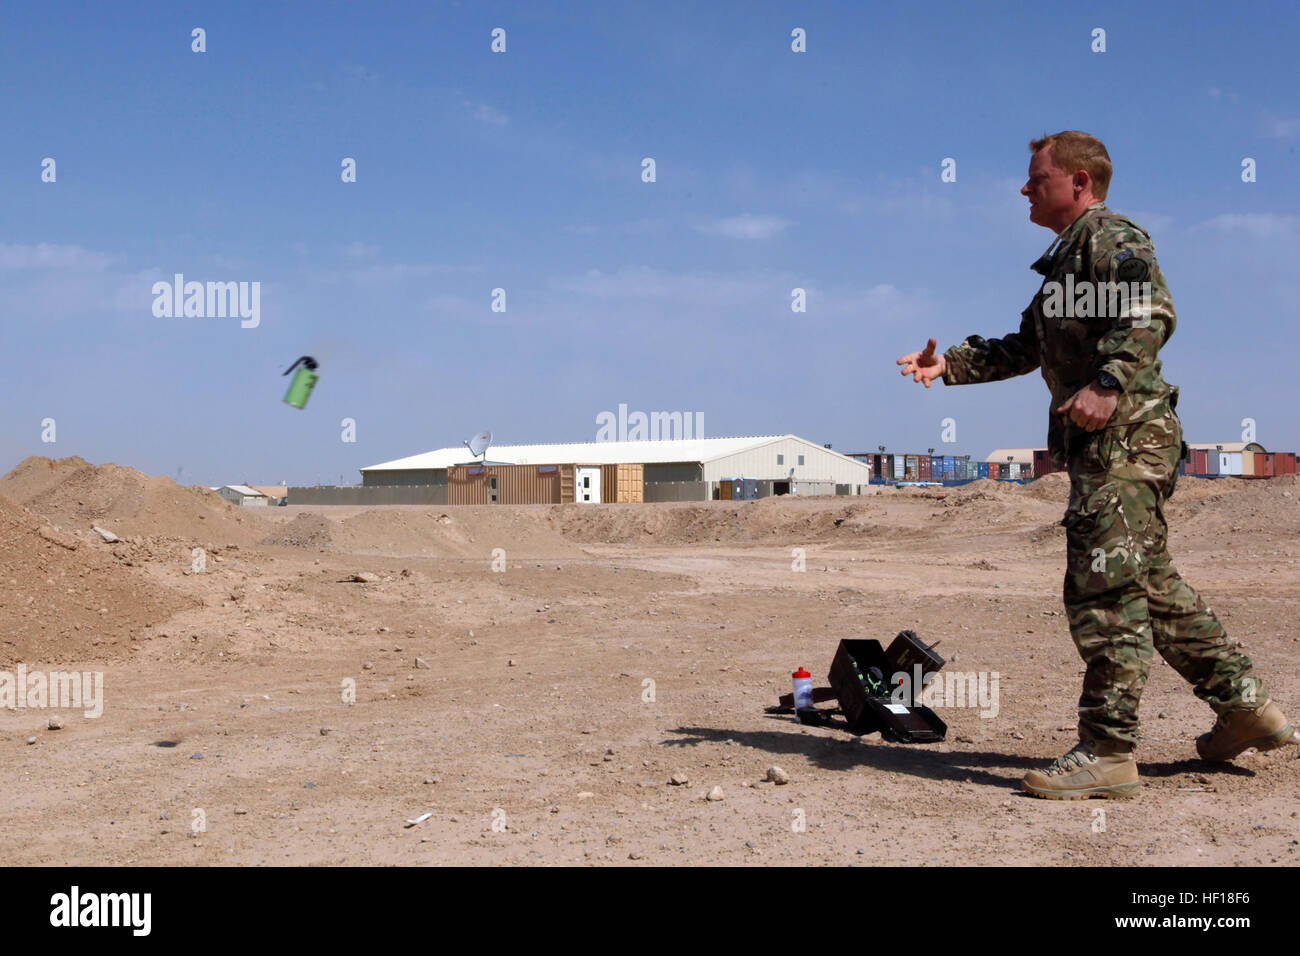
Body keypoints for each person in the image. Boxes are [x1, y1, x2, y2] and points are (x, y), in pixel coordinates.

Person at [896, 131, 1296, 799]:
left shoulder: (1112, 237)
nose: (1025, 189)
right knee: (1152, 589)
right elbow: (1027, 345)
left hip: (1127, 444)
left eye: (1037, 178)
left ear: (1080, 182)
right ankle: (1247, 707)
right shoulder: (1064, 263)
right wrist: (950, 365)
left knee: (1103, 592)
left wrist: (1107, 384)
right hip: (1111, 450)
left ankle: (1108, 753)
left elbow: (1150, 311)